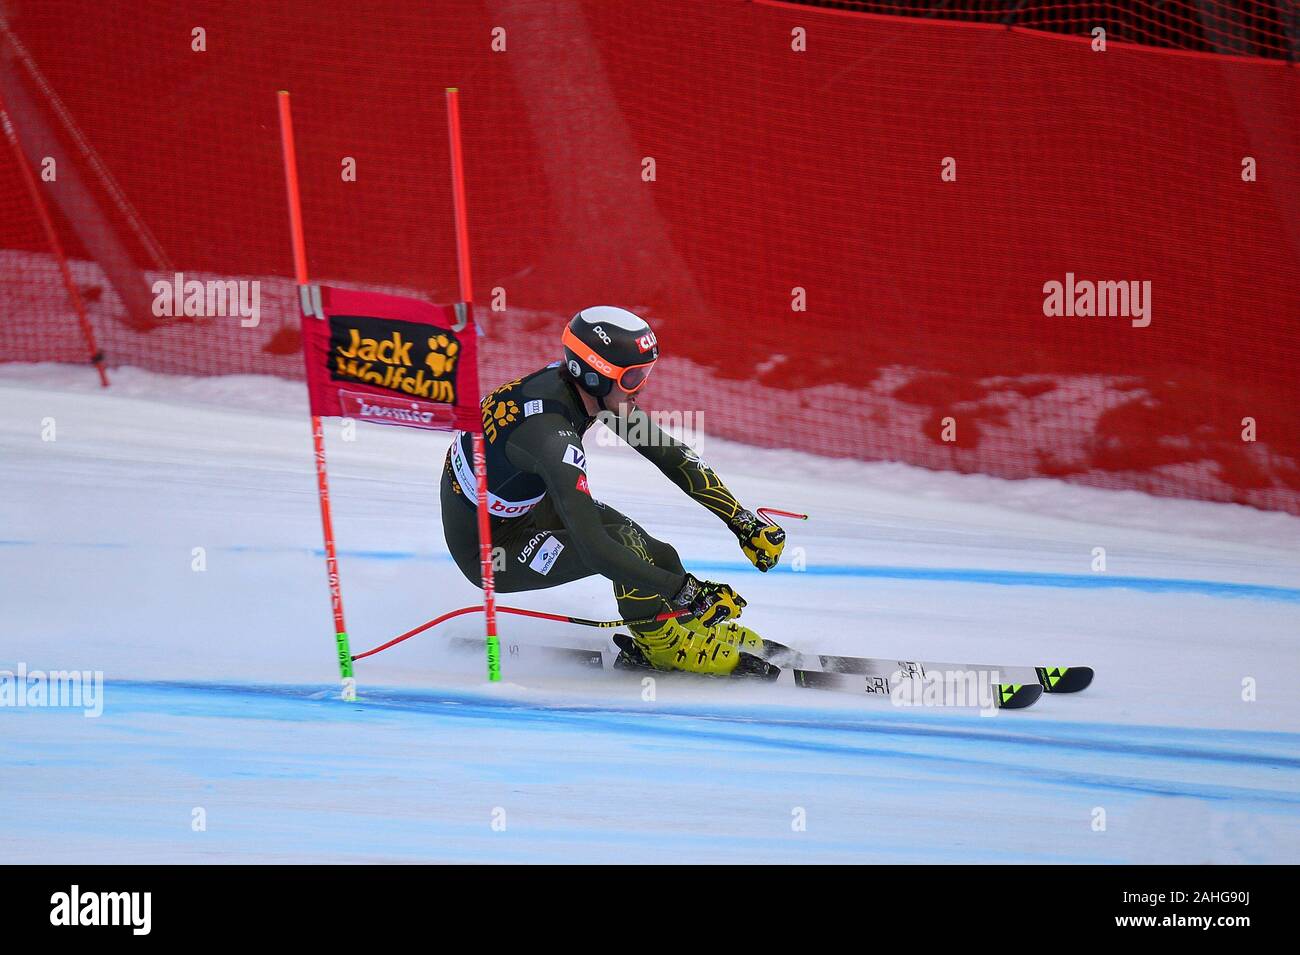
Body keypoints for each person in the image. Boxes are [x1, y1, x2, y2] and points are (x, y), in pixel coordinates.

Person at [440, 306, 786, 675]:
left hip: (520, 507)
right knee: (622, 544)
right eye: (633, 376)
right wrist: (687, 591)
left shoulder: (586, 392)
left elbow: (669, 454)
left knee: (659, 554)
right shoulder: (551, 437)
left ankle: (680, 622)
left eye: (645, 373)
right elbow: (597, 551)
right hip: (492, 551)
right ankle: (659, 645)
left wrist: (740, 520)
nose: (640, 387)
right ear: (593, 374)